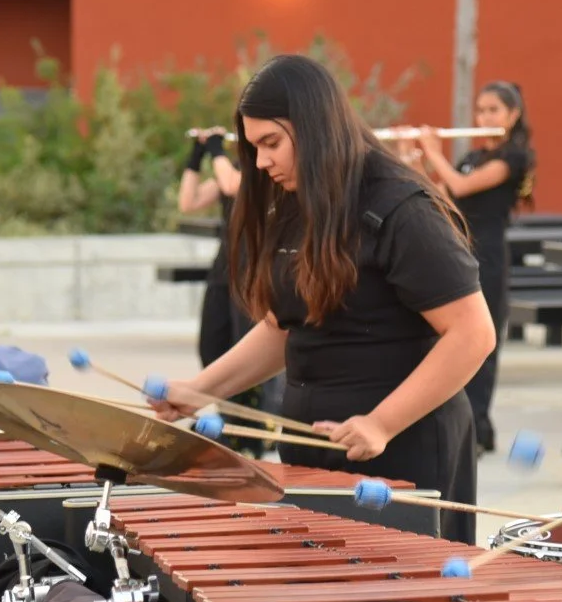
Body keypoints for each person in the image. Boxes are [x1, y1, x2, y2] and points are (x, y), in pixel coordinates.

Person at [148, 55, 496, 544]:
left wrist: (382, 423)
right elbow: (286, 326)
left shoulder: (401, 208)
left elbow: (473, 333)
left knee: (402, 592)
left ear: (315, 128)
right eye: (254, 147)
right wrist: (199, 391)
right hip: (315, 451)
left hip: (403, 452)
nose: (261, 162)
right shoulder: (301, 204)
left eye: (272, 143)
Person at [409, 81, 535, 455]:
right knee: (454, 341)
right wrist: (414, 162)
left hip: (489, 255)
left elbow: (462, 187)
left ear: (512, 115)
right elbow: (444, 196)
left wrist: (434, 152)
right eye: (481, 110)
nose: (485, 117)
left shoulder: (514, 158)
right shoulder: (473, 156)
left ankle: (478, 428)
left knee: (482, 341)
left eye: (494, 110)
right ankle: (467, 426)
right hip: (459, 250)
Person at [179, 127, 245, 368]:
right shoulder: (232, 168)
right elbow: (189, 202)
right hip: (224, 270)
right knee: (211, 347)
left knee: (242, 349)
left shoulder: (264, 172)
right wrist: (196, 156)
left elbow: (231, 185)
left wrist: (216, 149)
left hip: (252, 274)